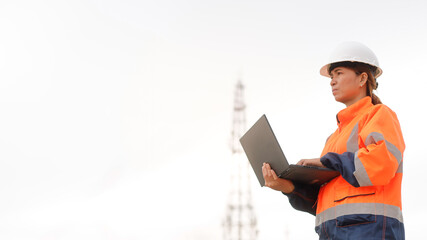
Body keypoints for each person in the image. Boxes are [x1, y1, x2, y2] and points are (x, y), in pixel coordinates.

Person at [262, 41, 405, 239]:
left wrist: (326, 161)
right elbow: (328, 201)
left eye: (338, 73)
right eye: (331, 76)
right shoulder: (334, 138)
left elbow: (381, 162)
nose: (332, 81)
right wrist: (288, 187)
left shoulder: (380, 115)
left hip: (368, 232)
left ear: (362, 78)